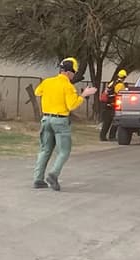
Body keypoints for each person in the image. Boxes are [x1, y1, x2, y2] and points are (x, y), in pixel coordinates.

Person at [32, 57, 96, 191]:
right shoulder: (68, 86)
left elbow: (37, 92)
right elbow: (72, 105)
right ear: (68, 72)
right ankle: (53, 174)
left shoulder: (47, 82)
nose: (73, 75)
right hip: (60, 121)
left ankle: (38, 179)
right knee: (64, 151)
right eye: (73, 72)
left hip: (46, 119)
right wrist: (83, 95)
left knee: (45, 150)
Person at [98, 68, 127, 141]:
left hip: (107, 104)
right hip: (113, 105)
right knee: (115, 121)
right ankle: (112, 136)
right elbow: (119, 95)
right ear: (124, 77)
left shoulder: (112, 82)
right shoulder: (120, 85)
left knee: (107, 122)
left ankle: (102, 136)